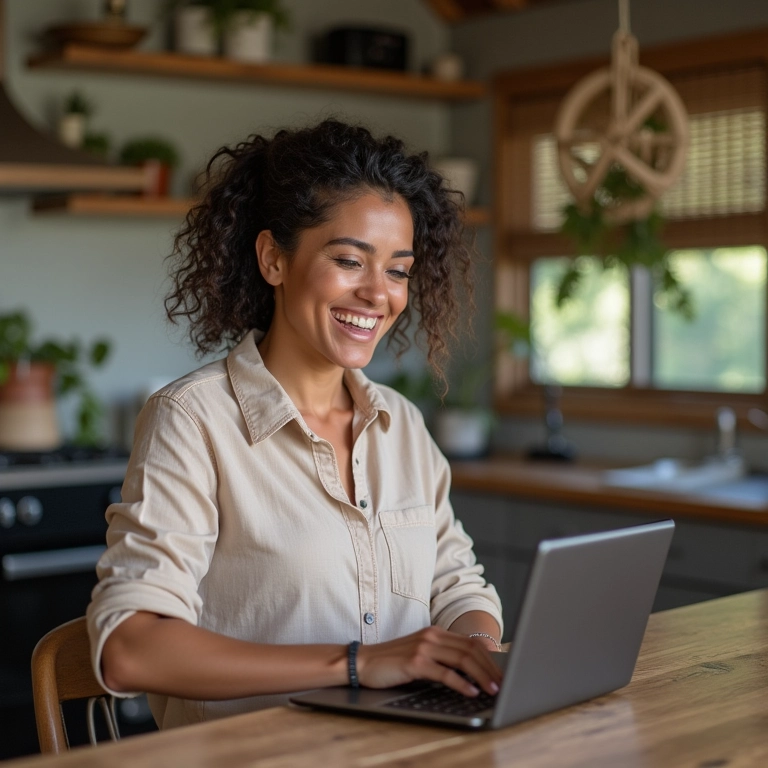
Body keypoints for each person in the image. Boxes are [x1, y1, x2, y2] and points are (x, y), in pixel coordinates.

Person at [87, 119, 503, 730]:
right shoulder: (192, 420)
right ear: (274, 259)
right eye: (348, 260)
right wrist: (358, 664)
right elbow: (130, 648)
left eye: (397, 270)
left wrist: (477, 650)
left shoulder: (403, 426)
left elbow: (458, 587)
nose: (376, 294)